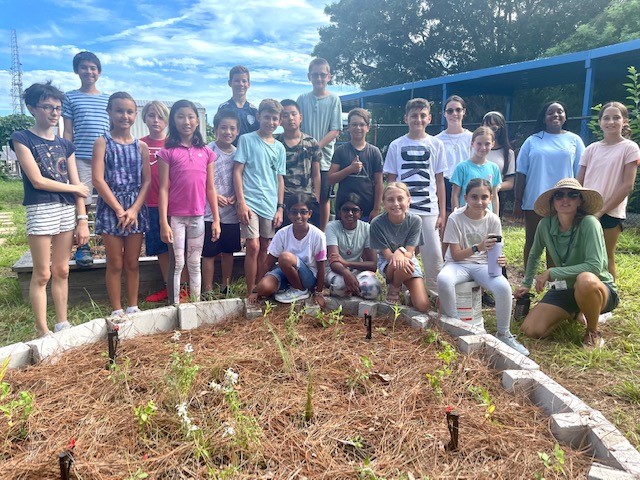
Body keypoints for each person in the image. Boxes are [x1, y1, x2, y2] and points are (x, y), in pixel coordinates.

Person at [10, 81, 90, 337]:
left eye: (57, 108)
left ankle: (62, 323)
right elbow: (37, 180)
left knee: (62, 269)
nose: (54, 113)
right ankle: (42, 329)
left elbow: (77, 182)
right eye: (47, 107)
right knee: (42, 273)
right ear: (33, 108)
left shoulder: (66, 145)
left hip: (66, 211)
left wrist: (82, 218)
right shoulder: (22, 138)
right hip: (41, 209)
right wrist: (75, 189)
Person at [515, 178, 618, 349]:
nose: (565, 199)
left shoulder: (589, 223)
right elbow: (534, 254)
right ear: (552, 202)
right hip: (565, 289)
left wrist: (552, 272)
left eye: (572, 195)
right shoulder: (545, 224)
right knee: (530, 330)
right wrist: (526, 283)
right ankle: (574, 312)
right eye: (559, 195)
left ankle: (592, 331)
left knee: (585, 279)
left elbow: (594, 266)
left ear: (579, 201)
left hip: (597, 289)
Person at [437, 179, 529, 356]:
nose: (479, 202)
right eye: (474, 197)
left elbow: (494, 249)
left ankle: (504, 333)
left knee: (503, 287)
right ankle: (455, 325)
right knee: (444, 279)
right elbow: (455, 255)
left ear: (491, 198)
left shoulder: (493, 219)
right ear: (465, 198)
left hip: (482, 265)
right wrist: (477, 247)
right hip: (458, 264)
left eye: (484, 197)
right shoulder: (455, 218)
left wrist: (500, 259)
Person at [92, 92, 150, 317]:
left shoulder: (141, 146)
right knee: (115, 262)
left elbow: (146, 181)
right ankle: (116, 309)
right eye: (119, 111)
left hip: (135, 208)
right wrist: (118, 209)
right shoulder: (102, 142)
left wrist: (134, 209)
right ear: (109, 112)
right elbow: (98, 179)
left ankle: (133, 306)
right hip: (111, 208)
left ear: (136, 115)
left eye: (129, 111)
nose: (124, 116)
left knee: (132, 262)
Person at [157, 100, 220, 304]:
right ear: (173, 121)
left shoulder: (206, 152)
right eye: (181, 116)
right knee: (178, 263)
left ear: (197, 120)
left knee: (194, 263)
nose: (186, 121)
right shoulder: (168, 152)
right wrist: (164, 222)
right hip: (176, 218)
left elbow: (210, 188)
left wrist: (216, 220)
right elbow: (163, 188)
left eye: (191, 116)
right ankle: (174, 306)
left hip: (198, 218)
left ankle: (195, 304)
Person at [383, 98, 446, 298]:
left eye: (422, 116)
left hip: (429, 209)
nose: (417, 120)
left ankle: (435, 294)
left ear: (429, 118)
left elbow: (440, 181)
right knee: (402, 253)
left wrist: (442, 212)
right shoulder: (396, 145)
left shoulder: (436, 144)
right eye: (413, 116)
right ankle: (397, 288)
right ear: (406, 118)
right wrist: (389, 209)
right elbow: (391, 181)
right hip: (402, 211)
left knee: (433, 255)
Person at [515, 101, 585, 266]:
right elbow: (521, 173)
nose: (555, 115)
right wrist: (518, 201)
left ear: (565, 116)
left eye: (560, 111)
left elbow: (580, 173)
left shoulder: (575, 140)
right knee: (532, 241)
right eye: (550, 112)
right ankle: (527, 283)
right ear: (544, 118)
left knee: (557, 244)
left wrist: (578, 199)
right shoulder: (532, 141)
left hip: (564, 200)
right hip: (534, 200)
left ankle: (554, 285)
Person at [577, 101, 640, 279]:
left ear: (625, 121)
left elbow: (628, 185)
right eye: (606, 118)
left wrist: (601, 210)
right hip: (586, 211)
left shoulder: (630, 148)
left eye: (616, 117)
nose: (610, 122)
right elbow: (578, 182)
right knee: (584, 257)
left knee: (606, 257)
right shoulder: (591, 149)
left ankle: (609, 300)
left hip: (611, 213)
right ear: (600, 122)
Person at [234, 99, 286, 305]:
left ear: (279, 121)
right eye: (267, 117)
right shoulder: (246, 140)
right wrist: (241, 202)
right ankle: (250, 290)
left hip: (270, 203)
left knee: (266, 246)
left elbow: (279, 178)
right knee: (253, 246)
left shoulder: (280, 147)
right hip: (250, 202)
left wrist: (280, 208)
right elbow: (237, 171)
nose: (270, 122)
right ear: (259, 117)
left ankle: (260, 286)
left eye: (275, 118)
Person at [62, 51, 110, 267]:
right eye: (84, 67)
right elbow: (68, 131)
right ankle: (83, 246)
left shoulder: (107, 99)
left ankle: (110, 240)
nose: (89, 71)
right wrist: (65, 154)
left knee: (108, 199)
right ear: (77, 71)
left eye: (93, 68)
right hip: (80, 156)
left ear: (98, 72)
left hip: (106, 158)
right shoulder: (69, 97)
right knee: (82, 200)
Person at [254, 194, 327, 306]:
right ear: (288, 214)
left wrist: (319, 292)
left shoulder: (318, 235)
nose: (298, 216)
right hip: (286, 272)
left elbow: (321, 266)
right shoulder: (282, 233)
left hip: (307, 277)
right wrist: (256, 290)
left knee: (284, 258)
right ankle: (286, 288)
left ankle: (300, 290)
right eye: (294, 212)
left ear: (309, 214)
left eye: (303, 212)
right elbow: (268, 262)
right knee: (263, 288)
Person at [297, 58, 342, 231]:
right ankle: (302, 231)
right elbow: (296, 125)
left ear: (329, 77)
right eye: (315, 75)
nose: (319, 78)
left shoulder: (334, 100)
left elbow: (335, 130)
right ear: (309, 77)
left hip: (324, 160)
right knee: (304, 196)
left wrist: (315, 146)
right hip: (303, 159)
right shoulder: (302, 99)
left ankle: (322, 234)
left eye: (323, 75)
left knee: (323, 198)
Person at [370, 182, 430, 312]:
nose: (396, 204)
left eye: (400, 199)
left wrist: (400, 251)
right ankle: (395, 287)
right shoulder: (377, 223)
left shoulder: (415, 221)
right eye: (390, 200)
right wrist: (397, 254)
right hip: (388, 263)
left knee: (423, 305)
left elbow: (410, 252)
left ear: (408, 201)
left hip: (409, 261)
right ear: (384, 203)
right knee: (400, 264)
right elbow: (387, 255)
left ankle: (408, 294)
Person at [203, 110, 242, 295]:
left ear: (237, 131)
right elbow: (199, 179)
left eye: (232, 128)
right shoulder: (207, 150)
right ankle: (208, 289)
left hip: (231, 212)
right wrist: (214, 196)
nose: (228, 132)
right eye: (223, 127)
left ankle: (226, 287)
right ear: (216, 129)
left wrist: (235, 195)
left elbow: (241, 178)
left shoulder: (238, 154)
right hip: (209, 210)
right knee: (209, 252)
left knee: (228, 252)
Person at [140, 101, 173, 303]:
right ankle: (168, 287)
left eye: (160, 117)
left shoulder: (172, 144)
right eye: (151, 116)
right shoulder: (140, 144)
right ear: (145, 118)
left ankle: (184, 288)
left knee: (177, 248)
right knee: (161, 249)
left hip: (173, 205)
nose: (156, 121)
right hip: (149, 205)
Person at [328, 108, 383, 221]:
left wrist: (376, 209)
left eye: (362, 125)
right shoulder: (341, 151)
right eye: (354, 124)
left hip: (367, 210)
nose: (358, 128)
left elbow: (379, 184)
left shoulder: (374, 152)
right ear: (348, 127)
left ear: (367, 127)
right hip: (344, 210)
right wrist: (349, 169)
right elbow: (330, 179)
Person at [275, 99, 322, 228]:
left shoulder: (311, 143)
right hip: (283, 200)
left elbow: (316, 174)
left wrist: (316, 196)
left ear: (300, 117)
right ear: (279, 120)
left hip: (306, 199)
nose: (290, 118)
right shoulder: (274, 143)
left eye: (293, 114)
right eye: (285, 115)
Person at [325, 194, 380, 299]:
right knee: (339, 286)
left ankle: (354, 289)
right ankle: (353, 290)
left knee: (373, 289)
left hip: (356, 270)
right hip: (336, 271)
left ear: (360, 213)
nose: (350, 213)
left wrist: (347, 263)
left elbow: (373, 265)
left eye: (354, 210)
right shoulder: (332, 227)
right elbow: (333, 262)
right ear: (339, 212)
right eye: (346, 210)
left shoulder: (367, 228)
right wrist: (345, 272)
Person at [450, 126, 501, 213]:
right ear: (472, 143)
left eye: (487, 144)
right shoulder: (462, 167)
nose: (483, 147)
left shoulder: (494, 168)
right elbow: (455, 195)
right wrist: (456, 216)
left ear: (493, 144)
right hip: (465, 217)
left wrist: (496, 217)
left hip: (486, 218)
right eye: (479, 143)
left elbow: (494, 196)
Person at [436, 95, 473, 213]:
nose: (454, 114)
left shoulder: (473, 138)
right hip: (444, 185)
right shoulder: (436, 140)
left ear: (464, 112)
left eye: (458, 110)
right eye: (450, 111)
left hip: (467, 185)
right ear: (444, 114)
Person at [217, 65, 259, 142]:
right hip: (229, 153)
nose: (241, 84)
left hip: (249, 153)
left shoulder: (254, 110)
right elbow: (218, 134)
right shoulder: (223, 108)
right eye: (237, 81)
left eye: (244, 81)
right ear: (230, 83)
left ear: (248, 84)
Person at [482, 111, 516, 195]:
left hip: (494, 196)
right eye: (486, 127)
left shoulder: (508, 153)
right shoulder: (474, 149)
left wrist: (494, 187)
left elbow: (510, 182)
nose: (489, 131)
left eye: (493, 128)